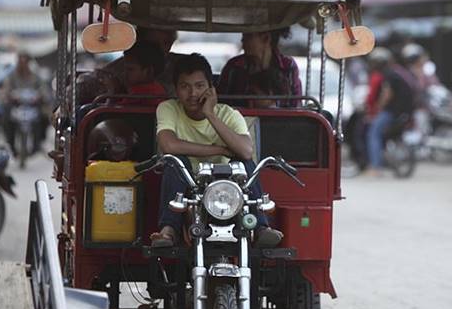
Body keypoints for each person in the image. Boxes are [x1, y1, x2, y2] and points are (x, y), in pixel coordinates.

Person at [150, 53, 282, 247]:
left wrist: (210, 114)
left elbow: (246, 151)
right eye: (185, 86)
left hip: (225, 182)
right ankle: (169, 230)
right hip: (186, 181)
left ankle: (261, 227)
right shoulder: (167, 108)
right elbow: (168, 145)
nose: (192, 93)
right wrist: (219, 149)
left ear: (211, 88)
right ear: (176, 89)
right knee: (174, 160)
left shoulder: (229, 114)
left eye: (199, 86)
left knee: (245, 164)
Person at [218, 28, 302, 108]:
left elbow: (296, 105)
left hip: (282, 122)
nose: (242, 41)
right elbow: (220, 103)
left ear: (266, 38)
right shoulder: (234, 67)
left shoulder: (288, 66)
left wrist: (271, 104)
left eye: (248, 36)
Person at [365, 50, 416, 175]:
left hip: (392, 112)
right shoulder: (395, 74)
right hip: (404, 112)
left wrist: (377, 107)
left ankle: (376, 167)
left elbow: (387, 95)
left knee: (373, 134)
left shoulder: (388, 76)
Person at [0, 52, 51, 155]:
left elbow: (43, 90)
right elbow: (6, 90)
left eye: (25, 61)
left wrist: (39, 96)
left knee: (45, 117)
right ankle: (10, 143)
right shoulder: (12, 76)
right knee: (5, 117)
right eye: (21, 61)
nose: (23, 64)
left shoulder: (35, 76)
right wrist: (10, 96)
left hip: (31, 105)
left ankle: (38, 143)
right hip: (16, 105)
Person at [103, 27, 179, 96]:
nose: (160, 48)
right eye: (153, 44)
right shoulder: (116, 70)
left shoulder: (182, 67)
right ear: (140, 41)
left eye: (166, 43)